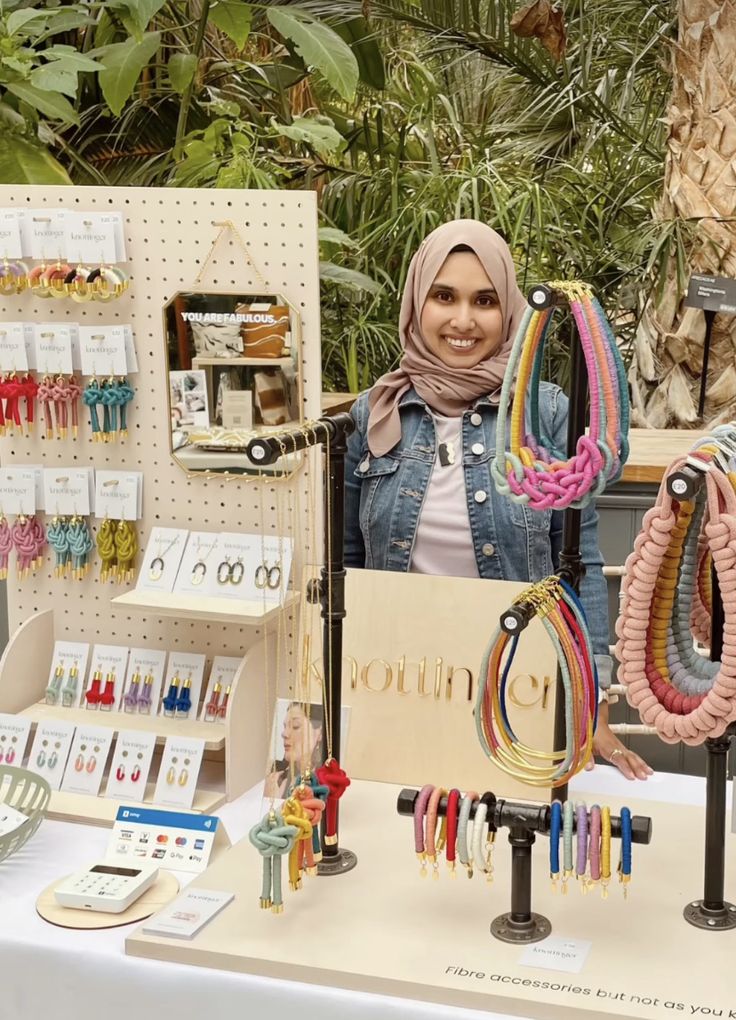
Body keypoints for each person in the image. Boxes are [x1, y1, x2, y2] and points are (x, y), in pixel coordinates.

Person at [344, 219, 652, 781]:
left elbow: (576, 570)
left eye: (485, 300)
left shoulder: (546, 414)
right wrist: (334, 702)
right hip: (399, 685)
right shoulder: (373, 414)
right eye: (445, 296)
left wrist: (591, 709)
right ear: (417, 301)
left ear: (509, 310)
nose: (464, 321)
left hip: (519, 691)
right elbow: (349, 567)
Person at [264, 702, 324, 799]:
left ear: (319, 733)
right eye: (285, 727)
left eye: (295, 726)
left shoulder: (324, 781)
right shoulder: (276, 780)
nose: (284, 733)